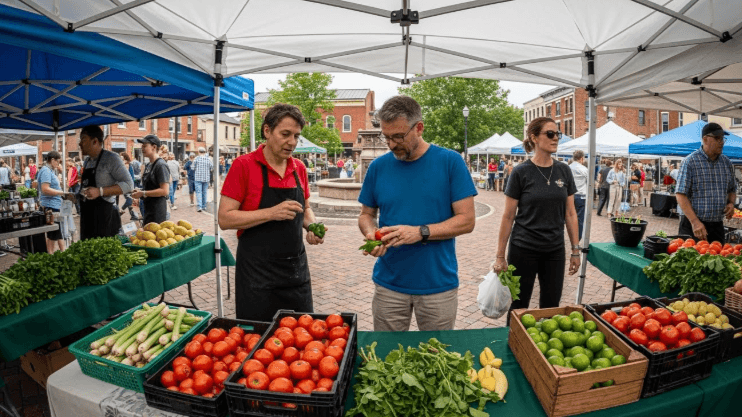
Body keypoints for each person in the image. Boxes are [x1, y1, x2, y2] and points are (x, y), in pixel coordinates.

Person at [358, 95, 476, 331]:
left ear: (419, 128)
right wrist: (372, 234)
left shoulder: (450, 162)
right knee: (387, 358)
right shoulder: (378, 167)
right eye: (386, 137)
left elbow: (467, 221)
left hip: (438, 285)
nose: (391, 145)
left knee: (437, 359)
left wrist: (421, 232)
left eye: (398, 136)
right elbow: (366, 215)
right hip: (389, 283)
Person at [218, 103, 325, 321]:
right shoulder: (243, 165)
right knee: (258, 340)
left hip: (296, 274)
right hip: (257, 277)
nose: (292, 142)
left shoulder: (299, 168)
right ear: (267, 131)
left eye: (296, 136)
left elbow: (305, 209)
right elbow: (225, 218)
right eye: (285, 134)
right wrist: (271, 213)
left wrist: (312, 226)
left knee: (302, 336)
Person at [493, 117, 580, 318]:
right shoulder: (520, 172)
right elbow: (508, 217)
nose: (556, 138)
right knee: (519, 306)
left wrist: (575, 250)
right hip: (523, 248)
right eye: (550, 134)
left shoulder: (564, 170)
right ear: (534, 137)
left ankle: (542, 350)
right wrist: (500, 255)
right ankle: (514, 344)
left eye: (557, 134)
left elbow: (570, 213)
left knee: (551, 307)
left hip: (554, 250)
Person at [676, 123, 736, 243]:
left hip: (717, 226)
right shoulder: (690, 162)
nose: (722, 142)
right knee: (690, 260)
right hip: (693, 225)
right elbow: (680, 194)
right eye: (717, 138)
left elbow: (732, 189)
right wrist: (695, 222)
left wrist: (731, 203)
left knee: (718, 260)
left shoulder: (726, 163)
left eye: (722, 138)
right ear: (705, 139)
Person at [77, 125, 134, 240]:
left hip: (105, 218)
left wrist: (100, 191)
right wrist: (77, 196)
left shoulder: (112, 158)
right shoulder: (87, 161)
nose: (80, 144)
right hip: (87, 219)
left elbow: (129, 185)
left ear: (95, 141)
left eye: (83, 140)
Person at [131, 135, 170, 224]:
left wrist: (143, 193)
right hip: (148, 208)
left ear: (154, 147)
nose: (142, 148)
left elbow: (164, 191)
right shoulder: (149, 165)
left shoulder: (160, 165)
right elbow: (151, 187)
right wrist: (139, 191)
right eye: (142, 146)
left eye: (144, 146)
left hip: (157, 211)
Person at [38, 152, 68, 253]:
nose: (58, 164)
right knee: (52, 233)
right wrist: (61, 193)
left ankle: (56, 252)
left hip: (53, 204)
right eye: (58, 162)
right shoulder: (46, 171)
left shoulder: (49, 170)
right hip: (50, 206)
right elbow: (45, 189)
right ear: (53, 160)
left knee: (55, 231)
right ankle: (49, 255)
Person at [569, 150, 588, 240]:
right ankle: (577, 239)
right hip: (581, 196)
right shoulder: (583, 169)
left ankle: (571, 237)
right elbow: (590, 183)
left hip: (569, 196)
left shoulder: (567, 168)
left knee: (569, 218)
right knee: (580, 219)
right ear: (581, 158)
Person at [118, 153, 139, 220]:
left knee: (130, 201)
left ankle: (132, 215)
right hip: (125, 186)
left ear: (125, 158)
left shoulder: (128, 165)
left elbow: (130, 177)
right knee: (129, 201)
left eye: (122, 158)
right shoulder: (123, 166)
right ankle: (120, 212)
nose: (121, 159)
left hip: (129, 186)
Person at [193, 147, 213, 212]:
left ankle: (199, 207)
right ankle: (204, 206)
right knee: (204, 192)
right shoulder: (208, 159)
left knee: (198, 192)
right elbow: (212, 168)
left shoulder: (196, 159)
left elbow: (193, 167)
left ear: (199, 152)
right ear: (204, 152)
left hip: (198, 178)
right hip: (206, 178)